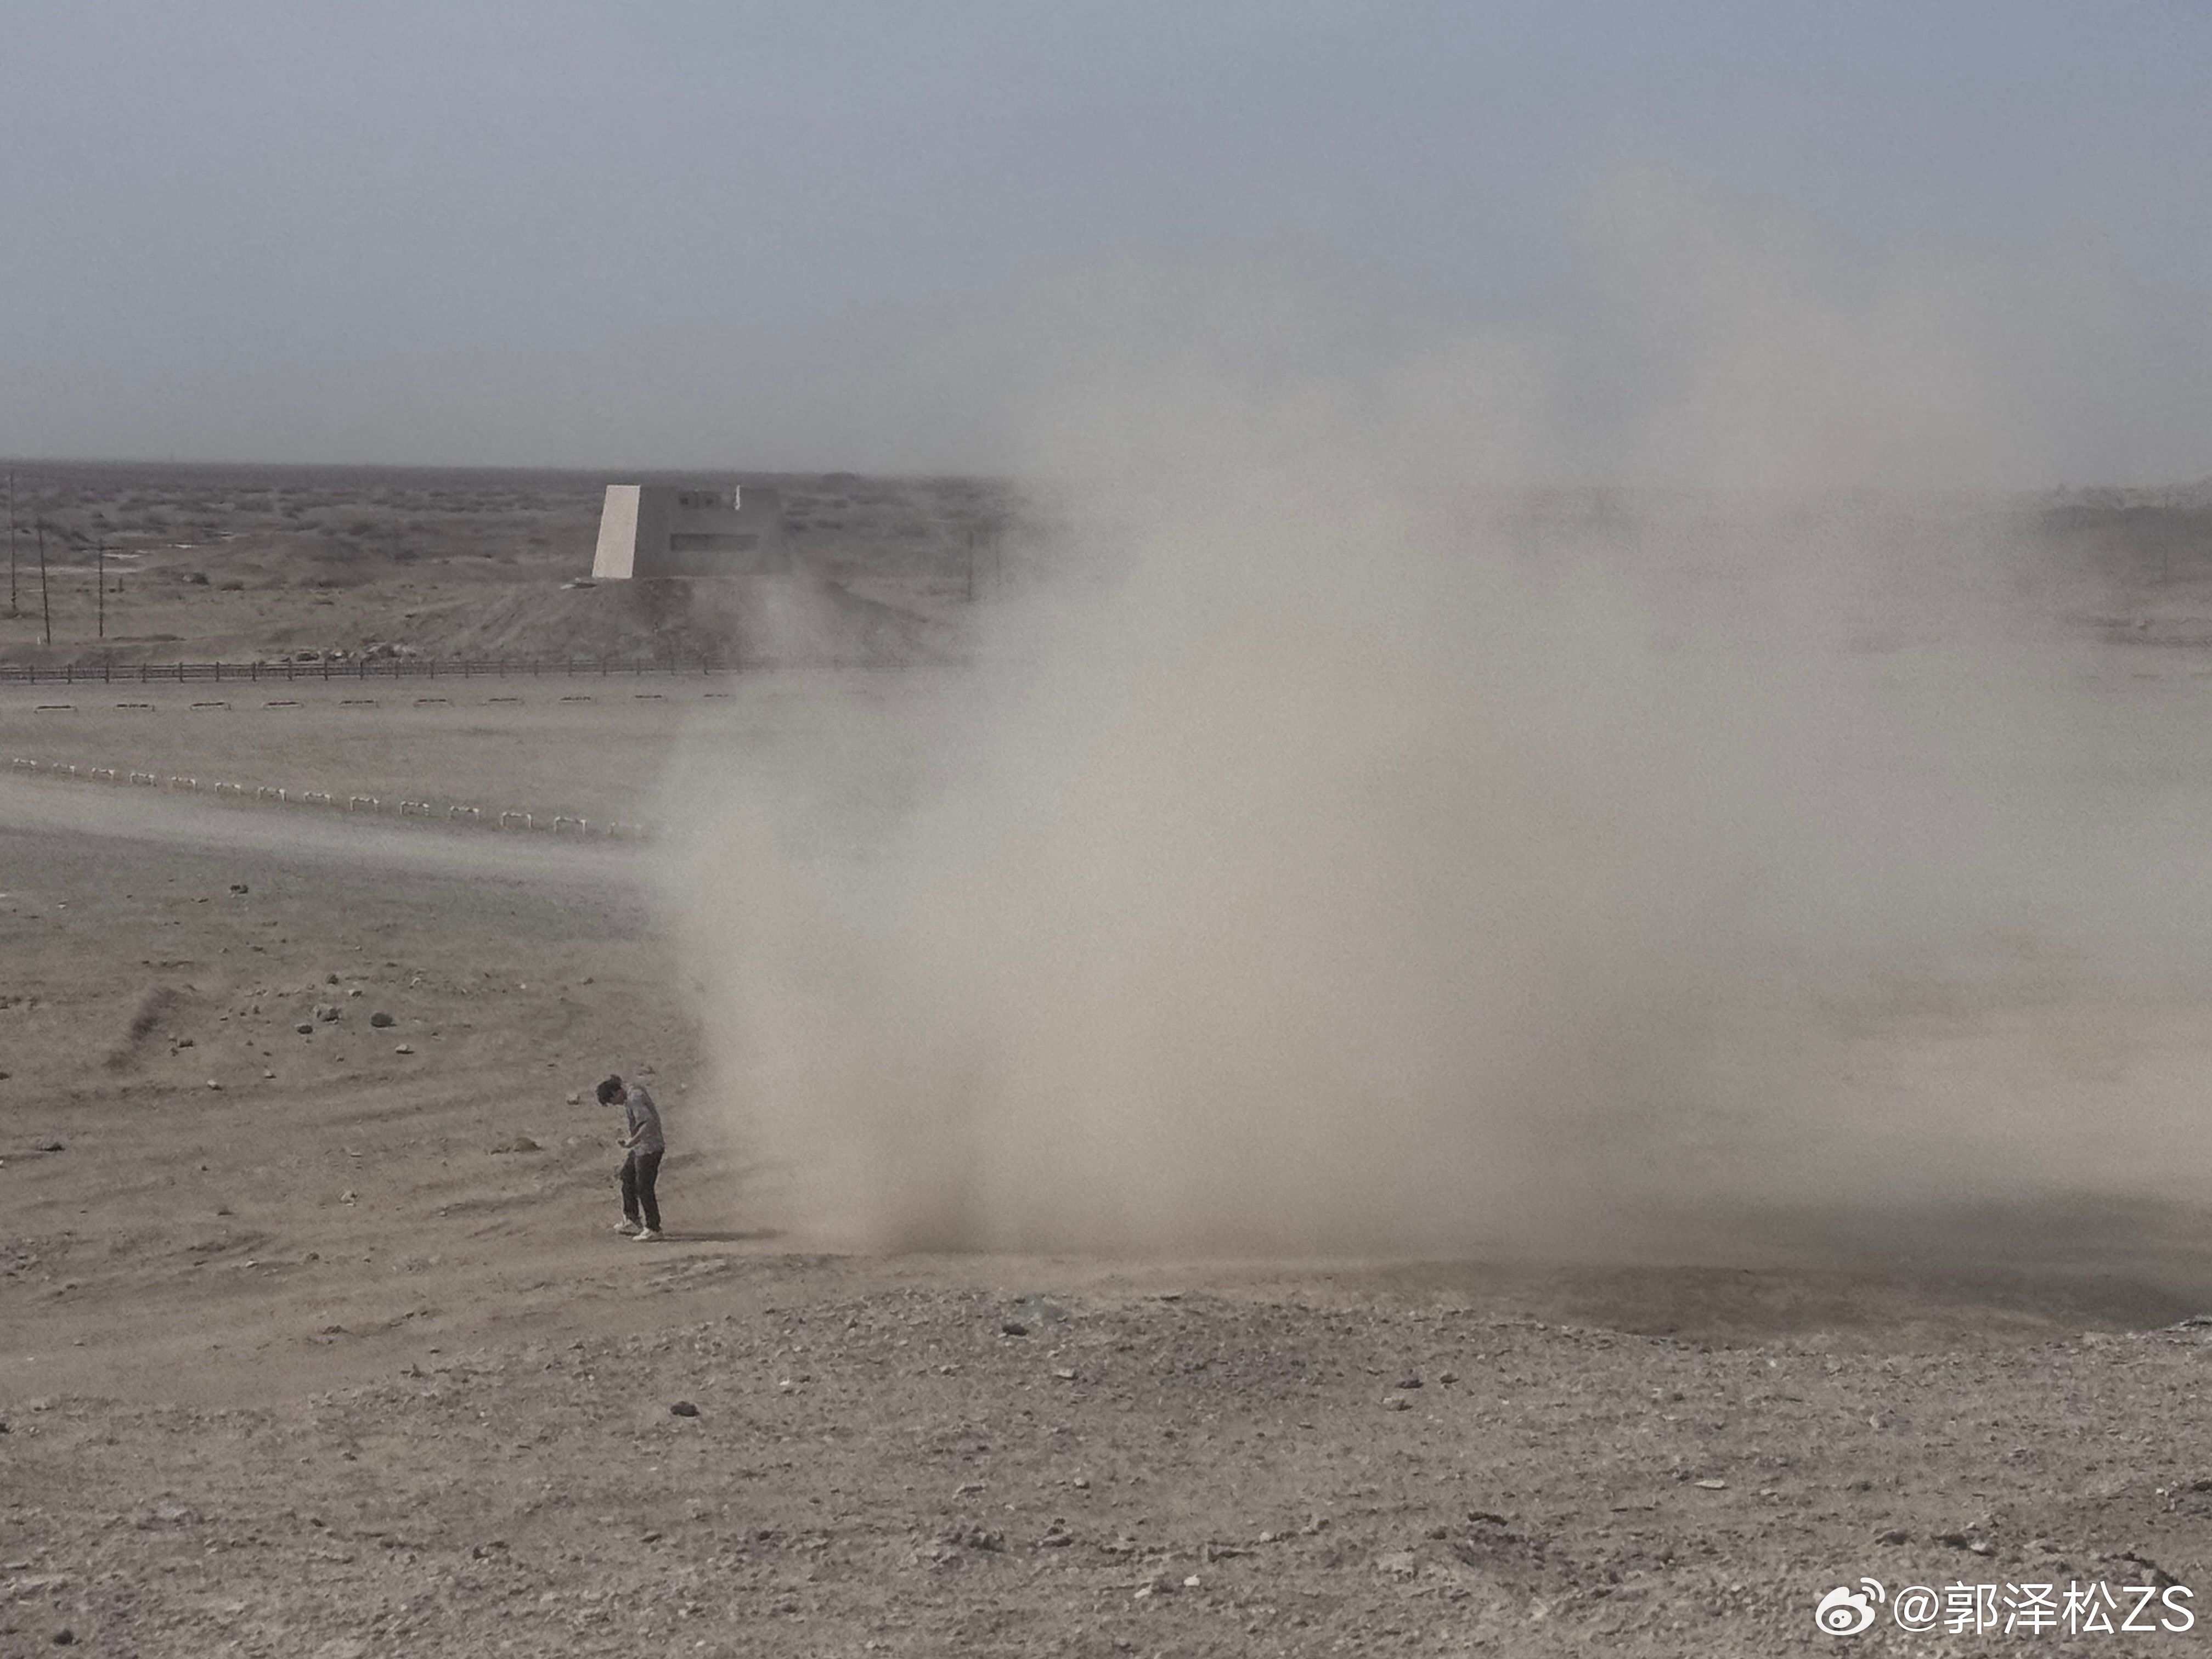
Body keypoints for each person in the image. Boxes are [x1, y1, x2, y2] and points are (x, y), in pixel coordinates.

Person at [598, 1074, 665, 1242]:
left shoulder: (635, 1098)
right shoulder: (630, 1091)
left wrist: (631, 1142)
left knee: (644, 1187)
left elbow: (649, 1123)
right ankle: (632, 1218)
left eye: (614, 1102)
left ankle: (653, 1228)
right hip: (641, 1148)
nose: (617, 1105)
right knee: (627, 1175)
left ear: (616, 1093)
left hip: (650, 1148)